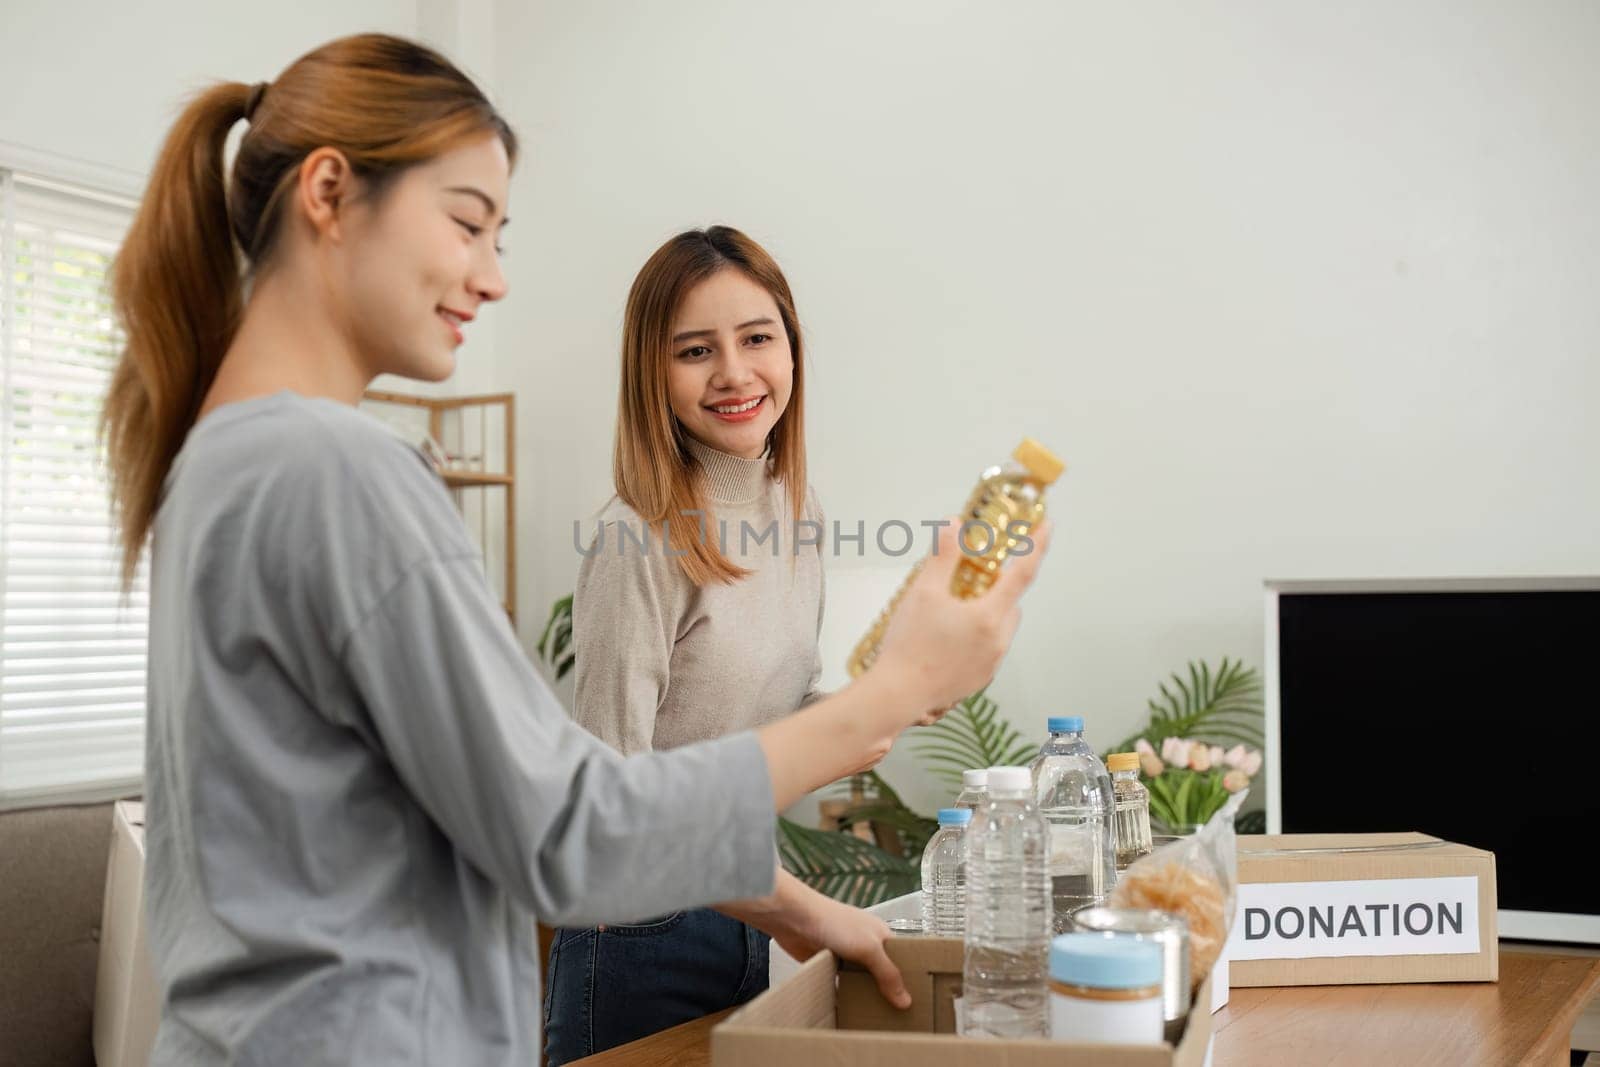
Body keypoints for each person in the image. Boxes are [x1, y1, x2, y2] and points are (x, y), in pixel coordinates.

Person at [98, 34, 1051, 1066]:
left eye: (498, 236)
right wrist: (896, 686)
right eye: (468, 224)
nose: (494, 278)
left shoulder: (222, 461)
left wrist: (870, 727)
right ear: (328, 192)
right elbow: (569, 835)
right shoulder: (337, 472)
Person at [547, 225, 854, 1062]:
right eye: (694, 350)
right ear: (653, 372)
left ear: (791, 347)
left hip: (749, 911)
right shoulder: (638, 539)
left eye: (757, 337)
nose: (734, 372)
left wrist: (893, 693)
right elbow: (612, 799)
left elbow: (772, 733)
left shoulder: (800, 514)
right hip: (639, 937)